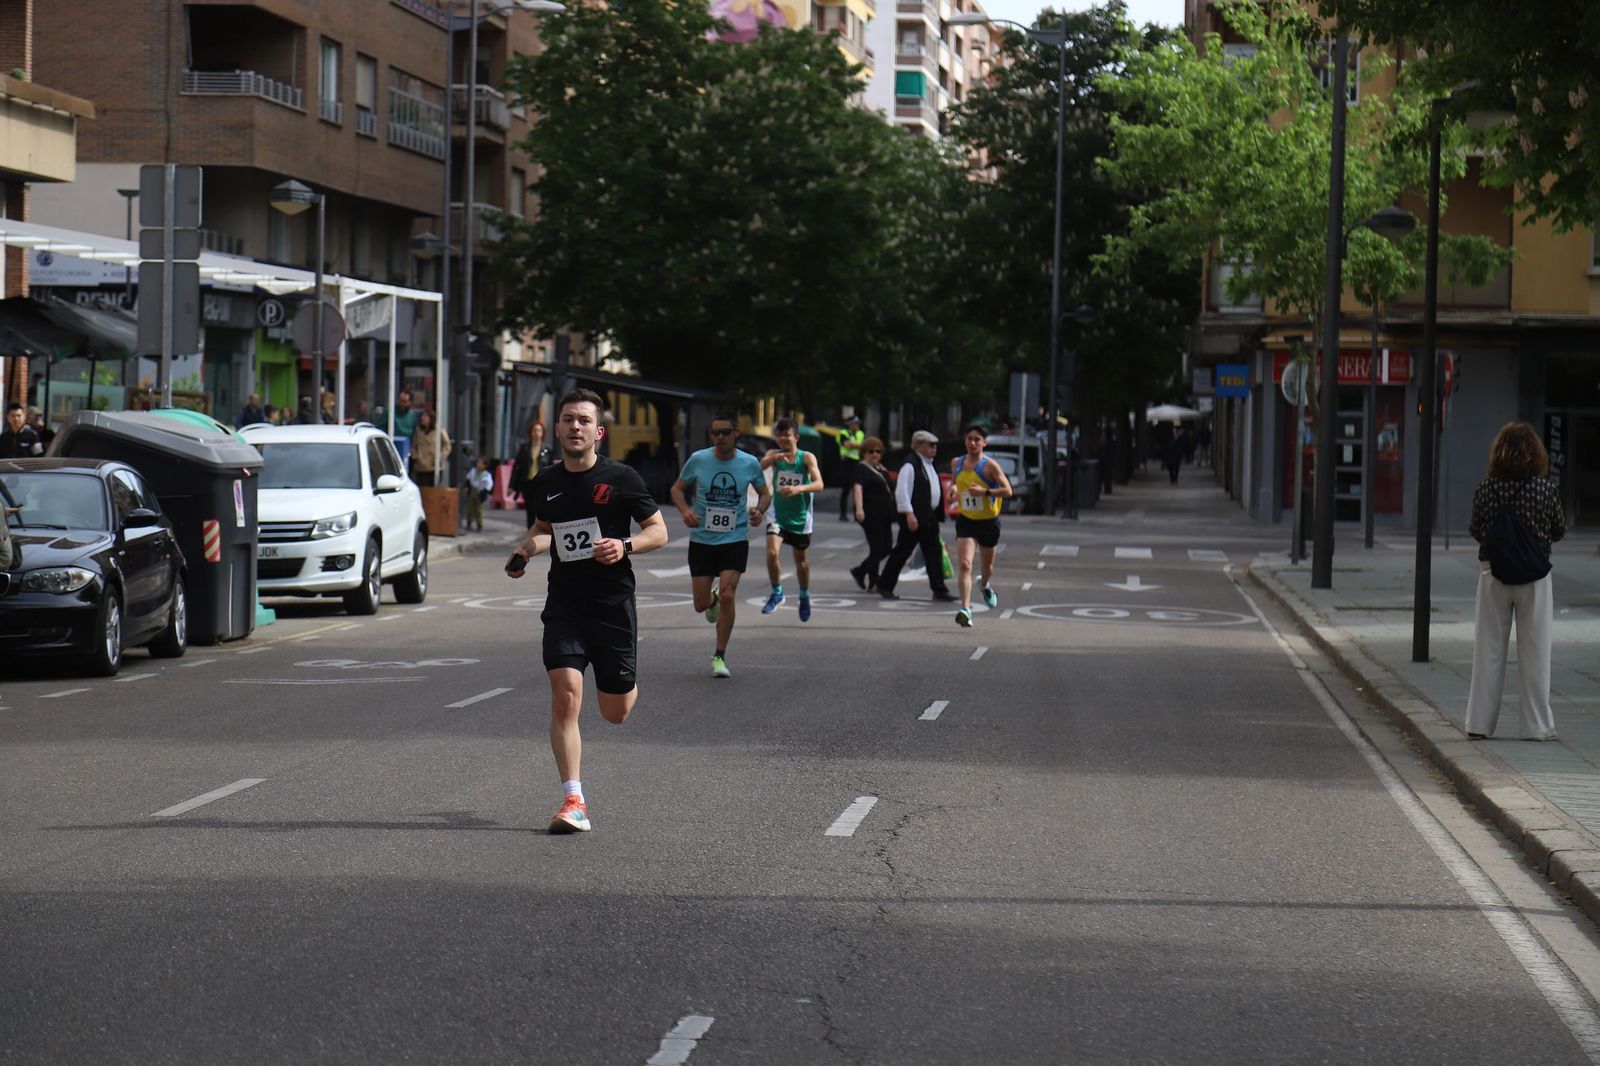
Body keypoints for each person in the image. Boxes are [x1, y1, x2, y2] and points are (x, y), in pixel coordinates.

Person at [506, 388, 669, 833]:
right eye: (567, 420)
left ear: (598, 432)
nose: (574, 427)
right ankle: (573, 799)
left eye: (583, 421)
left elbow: (659, 531)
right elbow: (545, 530)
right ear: (557, 428)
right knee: (565, 695)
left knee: (615, 712)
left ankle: (626, 678)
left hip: (613, 606)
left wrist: (625, 544)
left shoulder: (623, 478)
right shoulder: (546, 482)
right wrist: (526, 549)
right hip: (565, 604)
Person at [1464, 421, 1567, 742]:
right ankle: (1536, 726)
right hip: (1535, 578)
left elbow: (1476, 529)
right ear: (1536, 453)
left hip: (1493, 574)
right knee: (1536, 652)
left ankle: (1479, 723)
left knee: (1488, 650)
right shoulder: (1544, 489)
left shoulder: (1486, 489)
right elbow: (1558, 530)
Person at [669, 412, 771, 678]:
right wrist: (685, 511)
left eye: (726, 432)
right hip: (702, 540)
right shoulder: (699, 460)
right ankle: (711, 599)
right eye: (716, 433)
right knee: (701, 604)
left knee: (729, 593)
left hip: (734, 539)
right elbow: (676, 489)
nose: (721, 438)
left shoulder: (749, 463)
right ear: (711, 435)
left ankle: (719, 655)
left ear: (736, 433)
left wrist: (759, 511)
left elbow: (765, 493)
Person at [877, 430, 955, 603]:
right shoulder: (910, 464)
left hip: (929, 516)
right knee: (902, 551)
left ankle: (939, 589)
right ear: (918, 446)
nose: (934, 448)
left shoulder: (928, 463)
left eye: (935, 445)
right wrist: (909, 514)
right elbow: (902, 492)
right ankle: (885, 585)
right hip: (915, 516)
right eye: (930, 445)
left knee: (933, 552)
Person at [947, 424, 1013, 627]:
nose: (973, 443)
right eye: (969, 439)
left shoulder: (989, 466)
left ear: (984, 442)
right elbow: (955, 482)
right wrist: (952, 490)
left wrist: (985, 492)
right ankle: (966, 609)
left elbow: (1008, 491)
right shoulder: (957, 463)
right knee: (965, 564)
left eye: (977, 439)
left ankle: (984, 585)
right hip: (966, 520)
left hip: (988, 521)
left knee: (987, 566)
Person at [760, 417, 824, 621]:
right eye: (778, 435)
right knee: (771, 552)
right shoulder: (773, 454)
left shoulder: (806, 458)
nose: (782, 439)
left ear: (795, 437)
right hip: (777, 514)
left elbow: (819, 484)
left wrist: (798, 488)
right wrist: (773, 460)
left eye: (786, 435)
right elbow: (758, 467)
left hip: (801, 517)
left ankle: (804, 595)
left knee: (801, 562)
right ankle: (777, 592)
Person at [849, 436, 894, 591]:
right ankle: (873, 579)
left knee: (887, 548)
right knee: (877, 547)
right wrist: (859, 509)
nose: (875, 454)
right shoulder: (861, 468)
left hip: (885, 514)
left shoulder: (881, 469)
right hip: (870, 514)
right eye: (871, 451)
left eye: (878, 451)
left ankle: (861, 571)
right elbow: (858, 488)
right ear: (864, 453)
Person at [510, 419, 553, 529]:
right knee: (530, 509)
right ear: (530, 432)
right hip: (527, 483)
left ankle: (539, 529)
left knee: (539, 508)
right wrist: (512, 486)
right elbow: (516, 467)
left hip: (541, 484)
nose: (536, 433)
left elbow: (552, 468)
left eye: (539, 430)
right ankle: (530, 530)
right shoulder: (524, 448)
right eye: (534, 430)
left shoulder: (547, 449)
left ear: (543, 433)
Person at [411, 408, 451, 488]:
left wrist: (441, 456)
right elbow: (414, 446)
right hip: (421, 466)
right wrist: (416, 457)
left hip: (435, 466)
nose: (423, 418)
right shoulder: (418, 431)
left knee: (433, 488)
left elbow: (447, 445)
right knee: (423, 488)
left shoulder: (439, 431)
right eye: (422, 416)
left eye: (425, 416)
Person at [835, 413, 864, 520]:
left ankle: (857, 513)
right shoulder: (842, 433)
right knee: (846, 489)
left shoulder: (860, 433)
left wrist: (854, 445)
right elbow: (847, 444)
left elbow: (859, 445)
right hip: (846, 463)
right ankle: (843, 514)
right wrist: (857, 445)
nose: (857, 425)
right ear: (850, 424)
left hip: (856, 462)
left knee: (857, 488)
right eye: (855, 424)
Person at [464, 455, 494, 532]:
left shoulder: (487, 475)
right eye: (478, 462)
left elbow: (489, 485)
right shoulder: (473, 471)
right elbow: (468, 479)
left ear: (485, 465)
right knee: (469, 509)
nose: (478, 464)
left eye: (481, 463)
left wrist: (484, 493)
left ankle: (479, 525)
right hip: (472, 491)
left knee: (479, 510)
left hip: (480, 492)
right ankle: (468, 523)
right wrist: (466, 486)